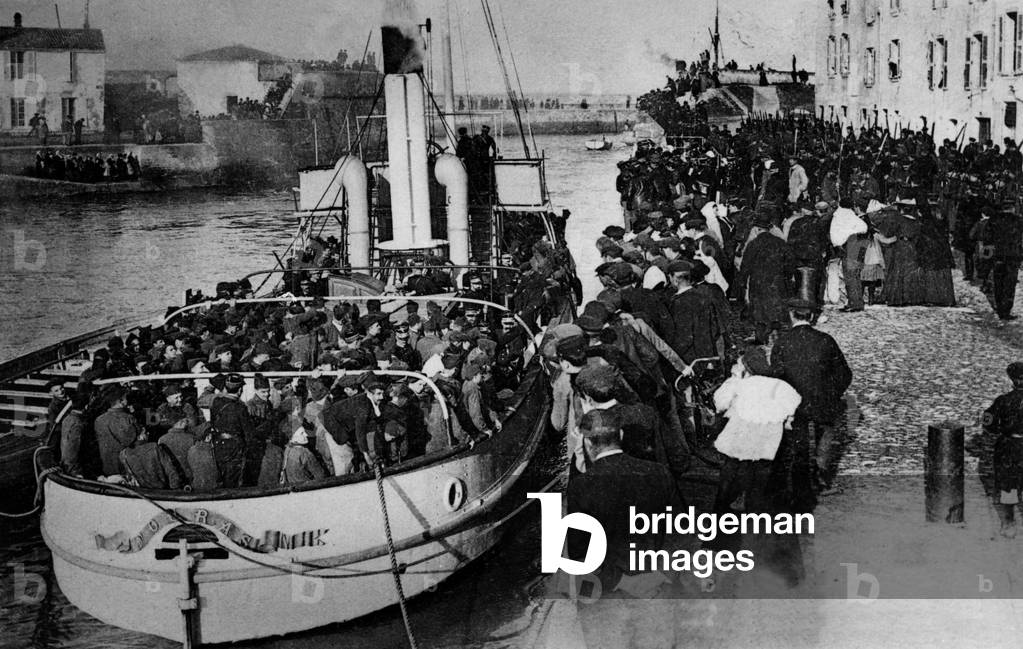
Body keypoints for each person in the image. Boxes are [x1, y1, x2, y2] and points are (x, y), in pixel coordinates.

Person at [566, 410, 680, 592]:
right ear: (620, 435)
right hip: (658, 582)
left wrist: (625, 582)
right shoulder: (660, 472)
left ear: (587, 442)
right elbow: (680, 529)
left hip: (611, 590)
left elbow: (580, 554)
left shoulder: (581, 487)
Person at [770, 298, 852, 496]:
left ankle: (798, 483)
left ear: (791, 315)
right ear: (813, 316)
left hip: (794, 403)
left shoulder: (782, 342)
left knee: (798, 442)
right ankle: (820, 478)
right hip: (822, 401)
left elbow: (776, 376)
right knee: (825, 434)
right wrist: (832, 394)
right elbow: (845, 374)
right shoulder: (826, 340)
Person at [983, 362, 1023, 537]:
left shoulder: (1003, 401)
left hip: (1009, 447)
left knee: (1008, 485)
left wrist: (1001, 431)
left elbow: (988, 423)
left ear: (1012, 380)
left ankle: (1008, 524)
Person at [978, 204, 1022, 321]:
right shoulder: (1018, 221)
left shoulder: (993, 220)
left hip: (997, 255)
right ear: (1012, 208)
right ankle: (1006, 310)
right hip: (1013, 256)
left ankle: (999, 307)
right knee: (1010, 283)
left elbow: (987, 238)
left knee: (998, 281)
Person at [94, 386, 142, 476]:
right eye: (125, 398)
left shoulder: (99, 419)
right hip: (126, 465)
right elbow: (135, 442)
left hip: (108, 465)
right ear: (121, 401)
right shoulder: (128, 418)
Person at [281, 421, 327, 485]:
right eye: (302, 433)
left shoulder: (287, 450)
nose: (306, 435)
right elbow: (320, 476)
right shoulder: (304, 452)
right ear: (294, 437)